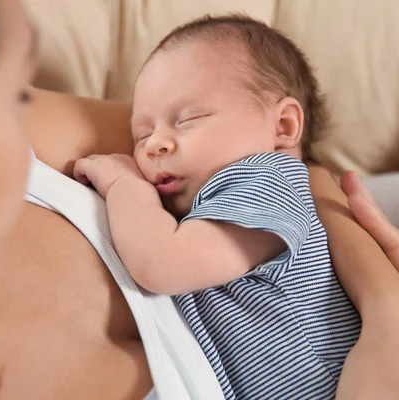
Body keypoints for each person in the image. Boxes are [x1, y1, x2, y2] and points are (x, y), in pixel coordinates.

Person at [0, 1, 399, 399]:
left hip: (371, 288)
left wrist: (396, 315)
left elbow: (302, 168)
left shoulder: (238, 166)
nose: (149, 146)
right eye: (16, 94)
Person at [74, 16, 359, 399]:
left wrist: (124, 183)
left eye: (188, 119)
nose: (154, 144)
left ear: (283, 126)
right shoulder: (205, 207)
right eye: (141, 134)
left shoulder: (269, 181)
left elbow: (163, 263)